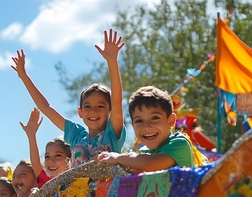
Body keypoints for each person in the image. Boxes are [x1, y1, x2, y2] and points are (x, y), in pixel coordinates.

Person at [12, 28, 126, 167]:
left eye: (100, 106)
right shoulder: (77, 135)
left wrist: (112, 62)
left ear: (110, 111)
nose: (93, 111)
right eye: (87, 106)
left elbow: (117, 100)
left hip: (107, 188)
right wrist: (24, 77)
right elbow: (45, 108)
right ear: (80, 112)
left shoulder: (112, 133)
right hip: (78, 189)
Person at [95, 86, 194, 172]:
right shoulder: (142, 152)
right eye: (139, 121)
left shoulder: (179, 143)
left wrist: (117, 157)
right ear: (133, 126)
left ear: (170, 120)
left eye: (155, 118)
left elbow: (150, 164)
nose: (146, 126)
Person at [20, 108, 72, 187]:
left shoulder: (76, 180)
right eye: (47, 156)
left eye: (58, 155)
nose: (50, 161)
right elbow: (35, 162)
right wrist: (31, 135)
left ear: (69, 159)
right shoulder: (46, 182)